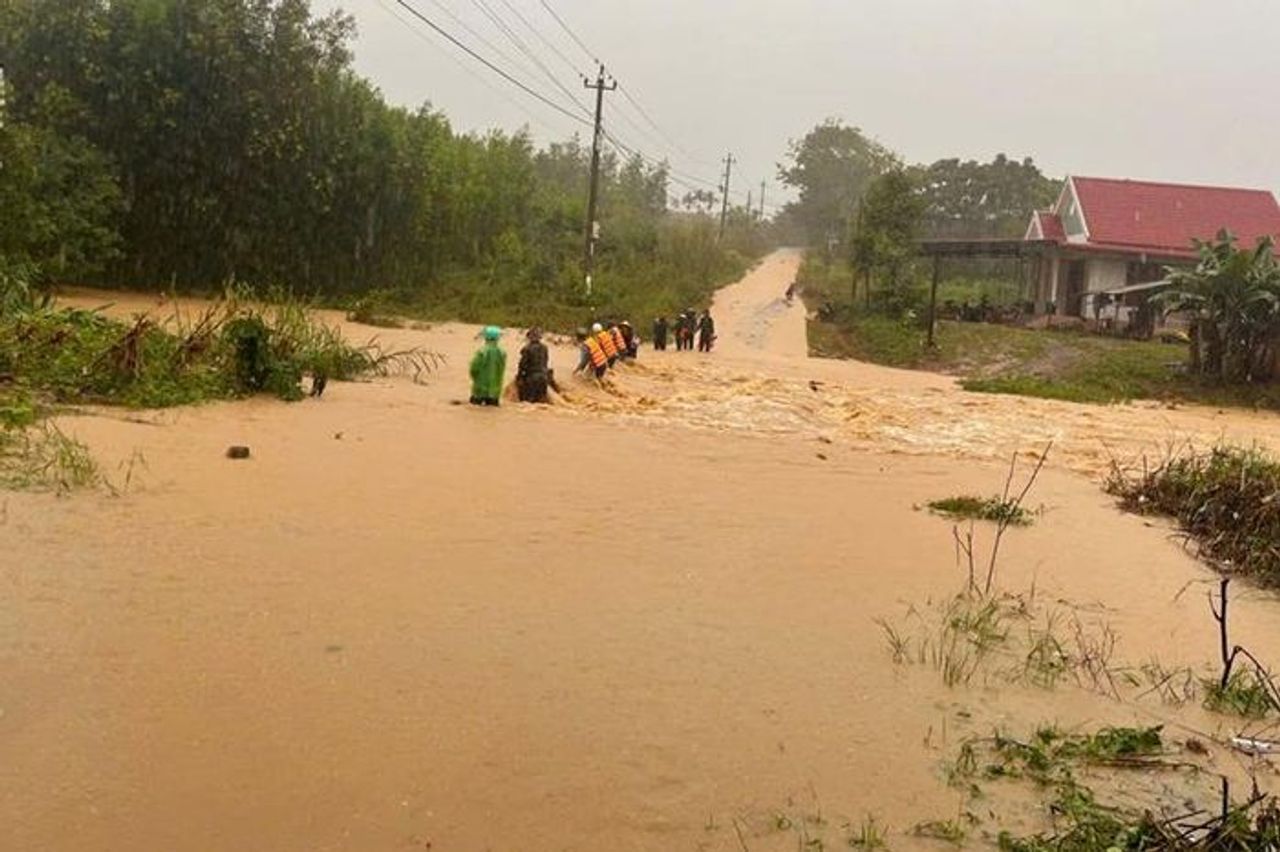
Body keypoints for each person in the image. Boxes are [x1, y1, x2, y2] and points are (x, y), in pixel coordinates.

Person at [469, 325, 507, 406]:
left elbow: (473, 369)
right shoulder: (502, 353)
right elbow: (502, 369)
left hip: (479, 389)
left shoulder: (482, 352)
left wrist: (475, 379)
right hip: (495, 390)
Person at [516, 327, 550, 403]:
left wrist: (519, 377)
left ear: (529, 337)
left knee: (528, 402)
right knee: (541, 402)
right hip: (544, 378)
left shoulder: (527, 349)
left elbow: (522, 365)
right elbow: (545, 362)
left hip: (532, 379)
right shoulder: (545, 348)